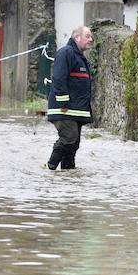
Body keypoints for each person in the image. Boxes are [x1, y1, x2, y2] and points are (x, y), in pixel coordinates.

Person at [46, 26, 94, 170]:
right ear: (76, 37)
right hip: (65, 109)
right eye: (87, 36)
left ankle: (68, 175)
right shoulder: (66, 53)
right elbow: (59, 79)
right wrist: (63, 103)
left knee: (74, 144)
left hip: (76, 110)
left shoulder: (80, 57)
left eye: (91, 36)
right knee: (69, 138)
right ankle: (51, 166)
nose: (91, 39)